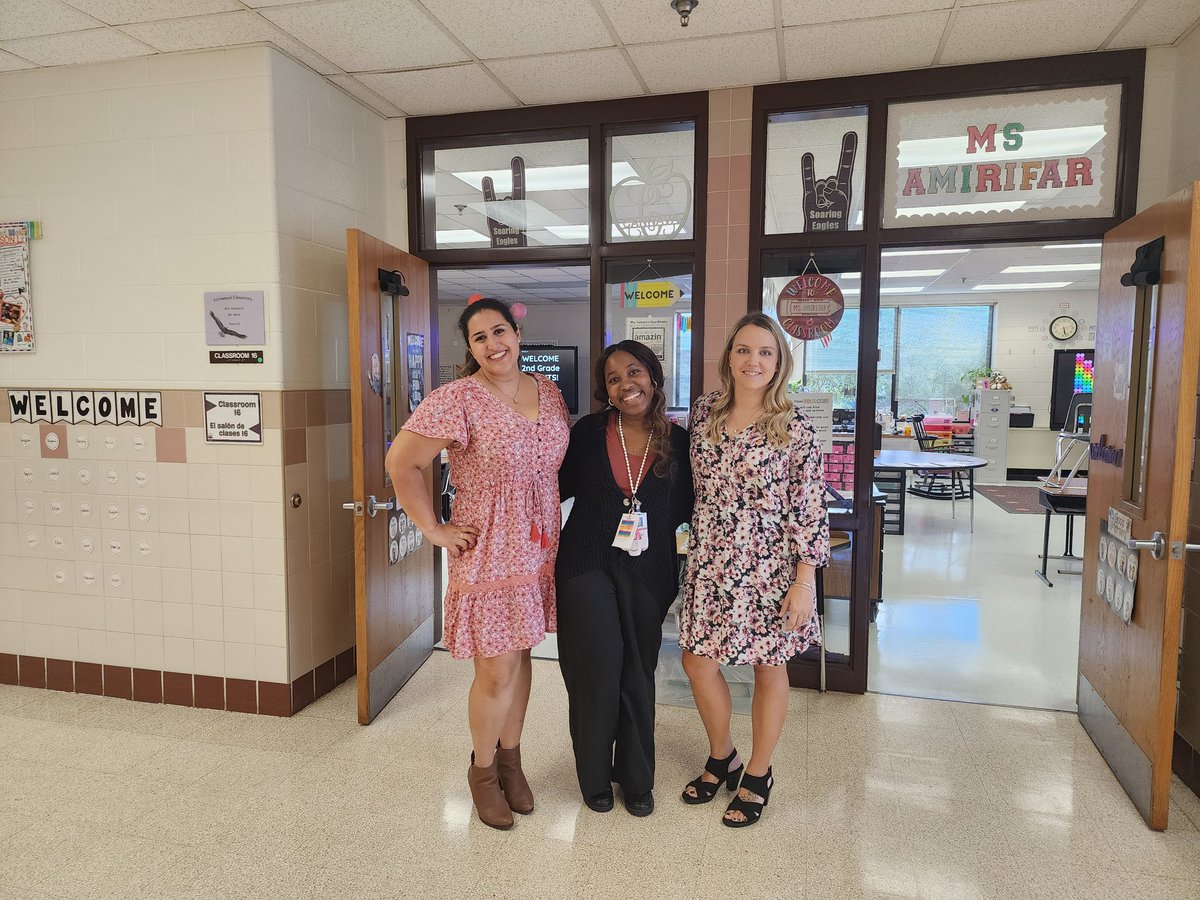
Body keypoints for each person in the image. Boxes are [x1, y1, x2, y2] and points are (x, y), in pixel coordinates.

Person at [386, 297, 570, 831]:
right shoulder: (458, 399)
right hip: (488, 549)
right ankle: (483, 771)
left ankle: (512, 761)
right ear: (470, 348)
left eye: (499, 331)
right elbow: (402, 462)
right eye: (480, 337)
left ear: (517, 333)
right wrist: (433, 528)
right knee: (496, 667)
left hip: (537, 546)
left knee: (522, 655)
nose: (493, 344)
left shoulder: (549, 392)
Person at [677, 312, 830, 828]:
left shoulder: (795, 428)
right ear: (729, 357)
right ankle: (723, 755)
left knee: (769, 666)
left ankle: (759, 774)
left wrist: (804, 582)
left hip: (770, 567)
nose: (753, 361)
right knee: (697, 662)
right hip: (710, 561)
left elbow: (810, 509)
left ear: (780, 362)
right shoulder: (705, 412)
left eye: (766, 352)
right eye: (743, 350)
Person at [556, 341, 694, 817]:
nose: (625, 385)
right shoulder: (587, 433)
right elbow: (548, 487)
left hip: (649, 571)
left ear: (653, 377)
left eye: (633, 372)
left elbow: (696, 508)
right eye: (613, 379)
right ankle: (594, 776)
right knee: (594, 670)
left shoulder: (681, 443)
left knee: (637, 671)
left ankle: (636, 777)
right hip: (585, 564)